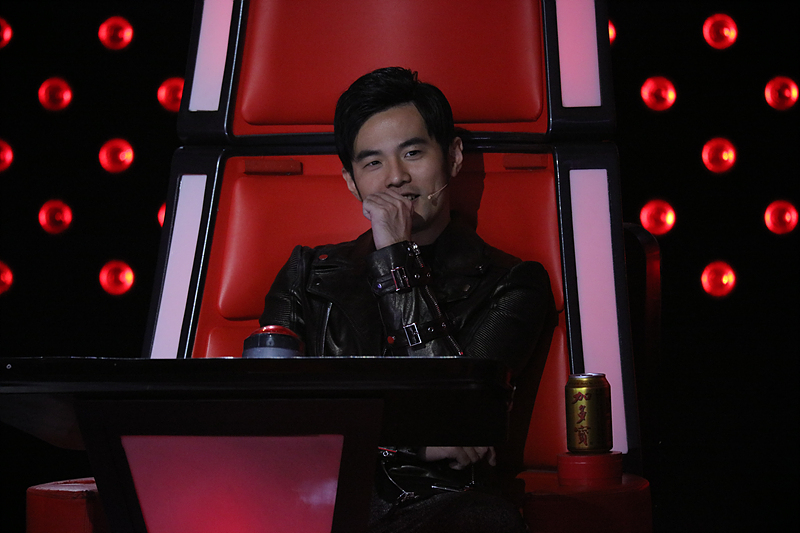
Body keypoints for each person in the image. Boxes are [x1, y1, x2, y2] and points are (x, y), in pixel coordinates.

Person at [260, 67, 556, 533]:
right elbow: (271, 414)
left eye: (413, 153)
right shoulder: (307, 274)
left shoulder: (513, 283)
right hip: (314, 499)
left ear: (453, 157)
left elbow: (456, 417)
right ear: (351, 181)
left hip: (437, 507)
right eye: (372, 163)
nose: (396, 178)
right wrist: (412, 443)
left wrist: (395, 257)